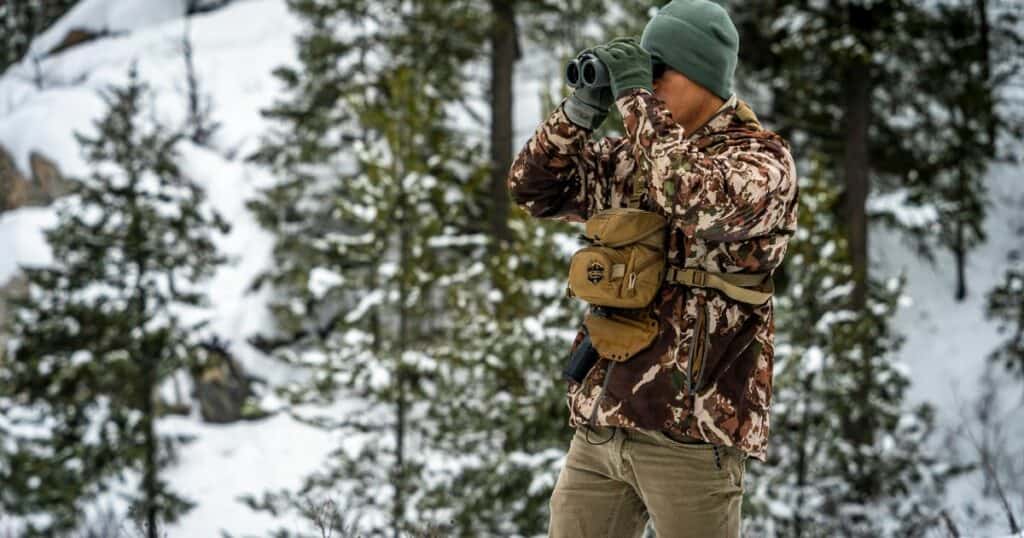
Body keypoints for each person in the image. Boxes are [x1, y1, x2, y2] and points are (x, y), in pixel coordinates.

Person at [506, 1, 799, 536]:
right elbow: (532, 189)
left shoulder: (761, 162)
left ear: (704, 74)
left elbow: (686, 194)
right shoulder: (635, 157)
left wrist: (637, 97)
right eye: (645, 69)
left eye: (660, 70)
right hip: (603, 426)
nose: (650, 83)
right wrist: (580, 110)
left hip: (691, 435)